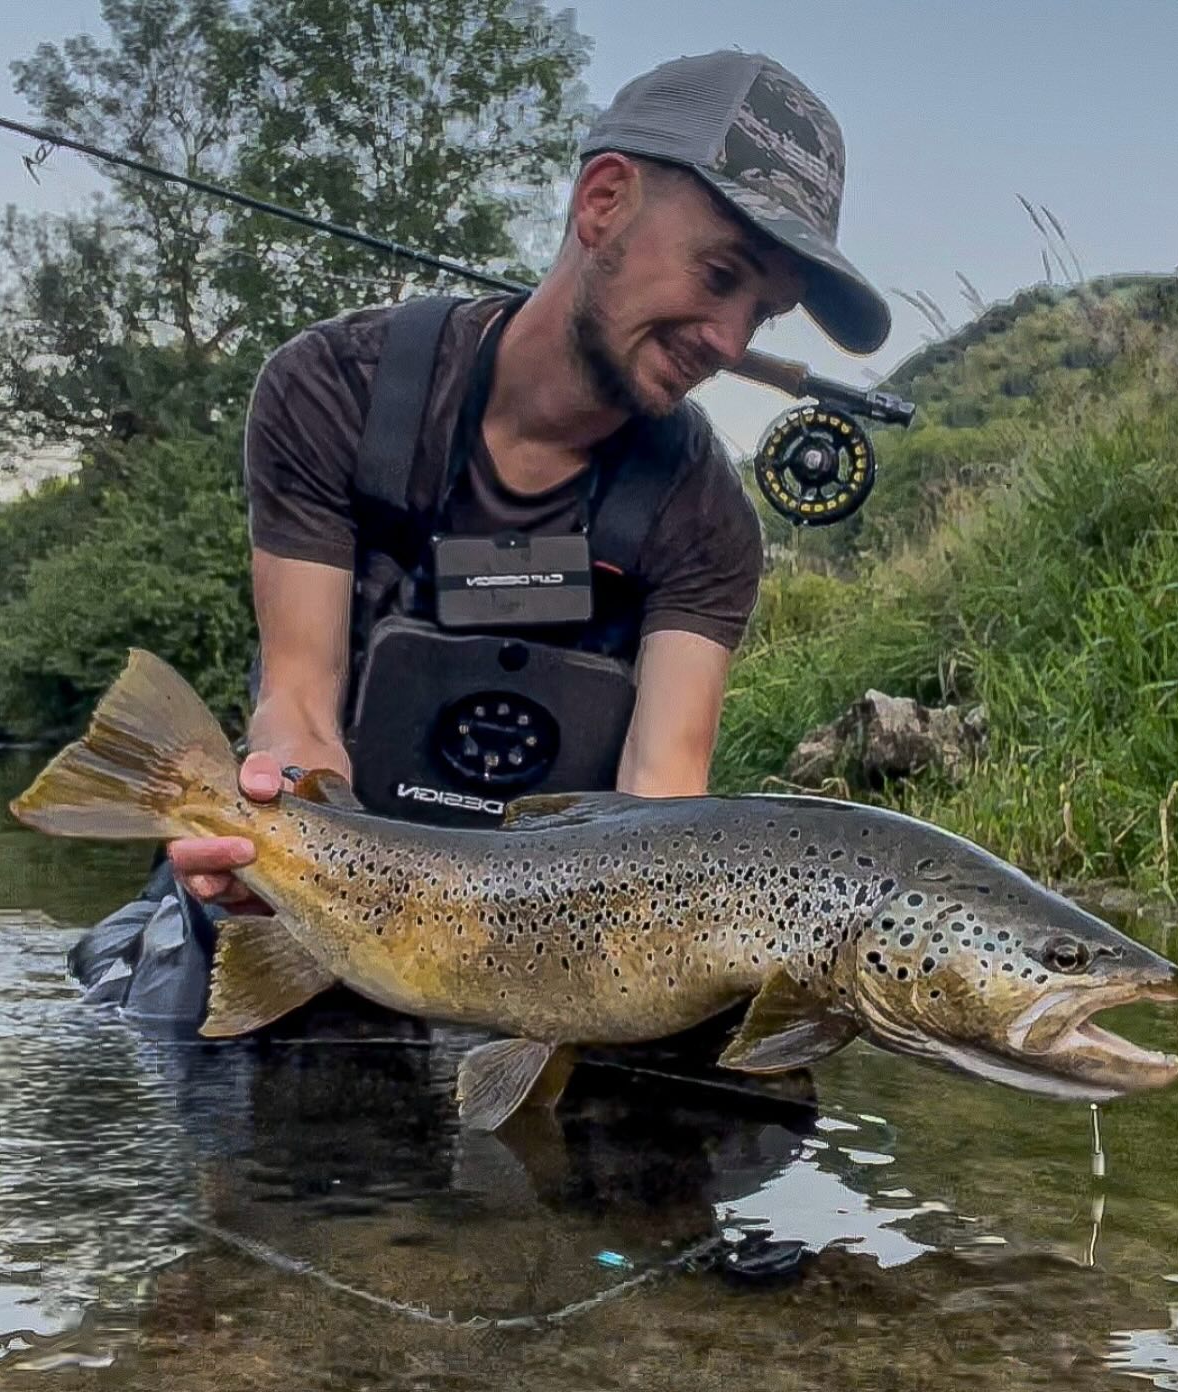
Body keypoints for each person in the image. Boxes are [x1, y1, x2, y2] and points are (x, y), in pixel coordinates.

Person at [70, 49, 890, 1024]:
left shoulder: (705, 516)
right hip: (348, 876)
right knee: (192, 1045)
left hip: (552, 929)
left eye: (761, 311)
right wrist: (275, 833)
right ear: (603, 201)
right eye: (720, 277)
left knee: (725, 1124)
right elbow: (296, 701)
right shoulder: (334, 390)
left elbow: (662, 800)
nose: (727, 338)